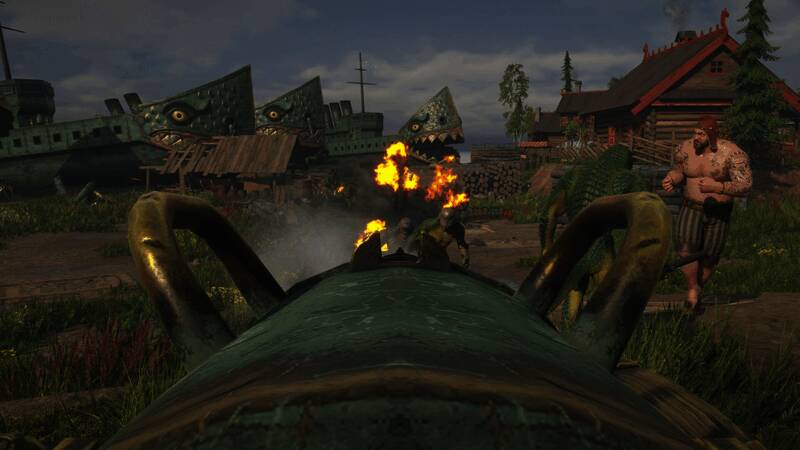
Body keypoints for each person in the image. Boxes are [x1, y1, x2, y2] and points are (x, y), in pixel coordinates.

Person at [661, 116, 752, 314]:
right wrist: (672, 178)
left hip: (719, 211)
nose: (696, 137)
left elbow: (745, 185)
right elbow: (680, 171)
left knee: (711, 255)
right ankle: (693, 290)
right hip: (691, 207)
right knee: (685, 250)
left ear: (712, 134)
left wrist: (718, 187)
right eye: (694, 132)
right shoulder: (685, 149)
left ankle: (697, 289)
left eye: (701, 134)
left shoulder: (732, 153)